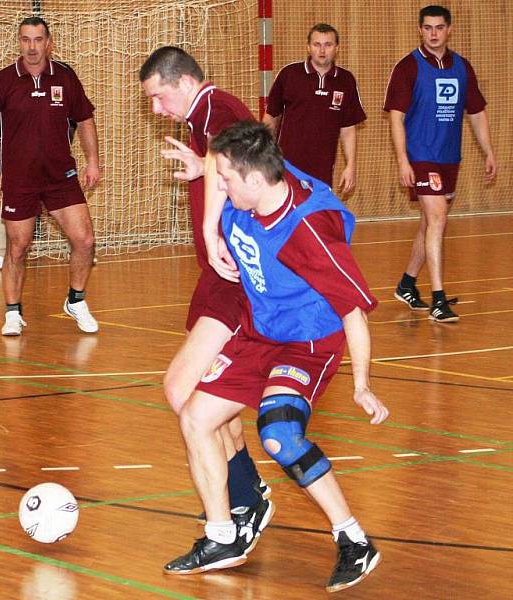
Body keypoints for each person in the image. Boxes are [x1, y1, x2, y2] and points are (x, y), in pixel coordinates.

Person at [164, 120, 388, 593]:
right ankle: (223, 536)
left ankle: (353, 540)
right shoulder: (257, 178)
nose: (216, 185)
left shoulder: (309, 230)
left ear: (253, 179)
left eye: (224, 179)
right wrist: (209, 225)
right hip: (258, 330)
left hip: (308, 343)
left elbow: (353, 313)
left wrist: (362, 384)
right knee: (195, 416)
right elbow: (217, 160)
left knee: (279, 433)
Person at [139, 46, 273, 559]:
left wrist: (208, 225)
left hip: (234, 280)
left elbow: (233, 156)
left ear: (184, 81)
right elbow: (234, 162)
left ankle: (234, 518)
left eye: (158, 97)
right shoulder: (208, 119)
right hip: (218, 279)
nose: (156, 109)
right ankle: (245, 499)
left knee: (183, 390)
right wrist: (203, 169)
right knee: (204, 396)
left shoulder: (215, 108)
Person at [0, 16, 101, 336]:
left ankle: (76, 300)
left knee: (85, 240)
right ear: (19, 42)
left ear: (48, 42)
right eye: (25, 39)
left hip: (60, 176)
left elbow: (84, 120)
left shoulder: (66, 78)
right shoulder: (3, 81)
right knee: (18, 247)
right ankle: (13, 312)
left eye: (38, 39)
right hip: (20, 179)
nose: (31, 46)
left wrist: (93, 160)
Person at [384, 5, 496, 322]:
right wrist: (403, 160)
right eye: (428, 27)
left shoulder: (462, 67)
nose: (434, 33)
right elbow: (396, 117)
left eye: (440, 27)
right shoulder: (408, 67)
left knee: (430, 223)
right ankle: (438, 299)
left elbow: (476, 112)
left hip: (449, 158)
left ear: (449, 29)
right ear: (420, 30)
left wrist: (488, 150)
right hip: (422, 156)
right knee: (438, 219)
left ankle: (407, 284)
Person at [263, 23, 366, 192]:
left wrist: (350, 166)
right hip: (286, 166)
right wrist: (263, 155)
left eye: (328, 44)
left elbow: (348, 129)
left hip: (323, 169)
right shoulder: (289, 75)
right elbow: (271, 118)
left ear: (337, 48)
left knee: (317, 216)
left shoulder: (346, 80)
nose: (322, 50)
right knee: (287, 214)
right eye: (317, 44)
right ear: (308, 47)